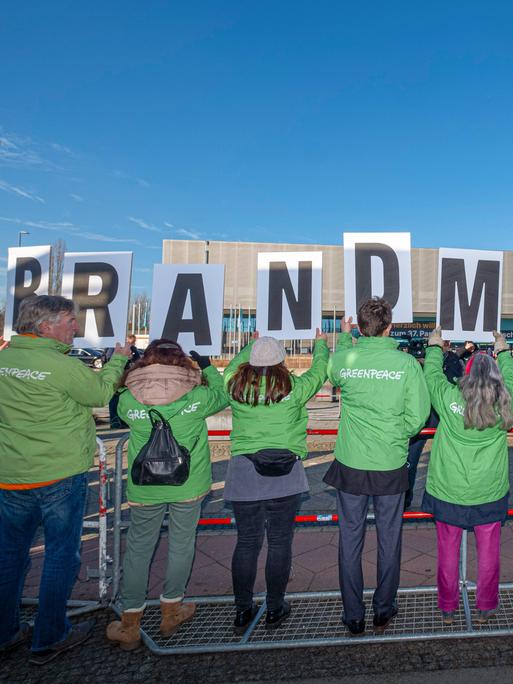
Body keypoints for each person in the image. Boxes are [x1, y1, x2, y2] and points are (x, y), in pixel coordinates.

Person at [0, 294, 130, 665]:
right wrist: (118, 358)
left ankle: (5, 632)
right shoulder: (61, 366)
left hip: (11, 474)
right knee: (61, 555)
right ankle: (50, 635)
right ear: (45, 326)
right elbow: (102, 393)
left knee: (9, 557)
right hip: (59, 473)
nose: (75, 327)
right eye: (69, 321)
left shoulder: (4, 359)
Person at [106, 339, 228, 651]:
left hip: (144, 485)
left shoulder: (128, 399)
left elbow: (115, 400)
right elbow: (223, 393)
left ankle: (130, 622)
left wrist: (124, 363)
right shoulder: (197, 396)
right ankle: (171, 610)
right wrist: (209, 368)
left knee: (138, 549)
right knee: (181, 544)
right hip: (188, 484)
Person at [324, 298, 430, 636]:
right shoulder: (406, 365)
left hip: (351, 463)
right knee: (389, 539)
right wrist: (394, 436)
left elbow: (333, 369)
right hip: (389, 462)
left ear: (358, 326)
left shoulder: (345, 358)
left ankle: (353, 614)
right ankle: (384, 609)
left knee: (350, 540)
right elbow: (417, 417)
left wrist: (343, 338)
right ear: (390, 326)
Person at [224, 329, 329, 633]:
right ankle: (274, 607)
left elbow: (232, 366)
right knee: (280, 543)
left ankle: (243, 610)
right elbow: (320, 371)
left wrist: (249, 344)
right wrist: (321, 344)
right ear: (283, 361)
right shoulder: (294, 388)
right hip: (286, 475)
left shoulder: (234, 384)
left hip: (244, 473)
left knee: (246, 543)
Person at [422, 327, 513, 625]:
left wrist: (435, 347)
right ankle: (486, 606)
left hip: (449, 490)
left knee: (447, 552)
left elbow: (432, 377)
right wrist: (503, 349)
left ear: (468, 374)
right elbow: (511, 379)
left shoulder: (450, 399)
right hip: (489, 492)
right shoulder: (505, 405)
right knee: (489, 554)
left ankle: (448, 608)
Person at [405, 339, 464, 509]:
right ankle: (405, 498)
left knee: (451, 459)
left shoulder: (453, 359)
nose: (444, 345)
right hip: (422, 414)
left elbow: (454, 383)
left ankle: (451, 497)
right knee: (410, 459)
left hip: (445, 413)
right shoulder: (417, 359)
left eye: (446, 342)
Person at [108, 334, 141, 429]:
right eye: (132, 342)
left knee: (118, 399)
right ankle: (118, 420)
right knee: (118, 398)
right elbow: (138, 362)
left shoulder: (132, 350)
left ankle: (119, 420)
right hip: (121, 377)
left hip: (121, 377)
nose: (132, 344)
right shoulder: (123, 349)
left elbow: (138, 362)